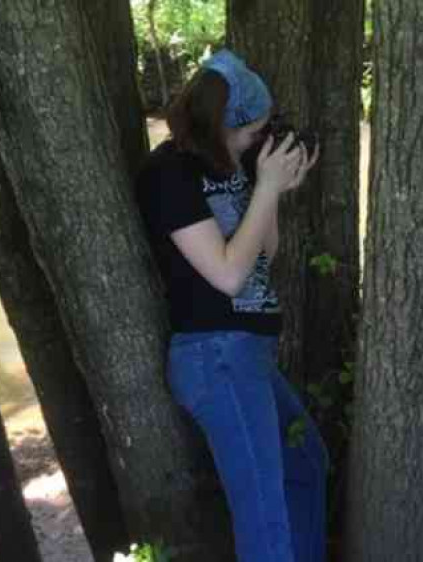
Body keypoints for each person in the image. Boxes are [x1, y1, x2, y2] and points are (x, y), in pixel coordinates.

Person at [135, 49, 328, 562]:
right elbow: (227, 275)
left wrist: (273, 190)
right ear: (224, 124)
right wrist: (263, 187)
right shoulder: (168, 174)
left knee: (307, 464)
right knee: (264, 522)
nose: (255, 141)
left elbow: (266, 253)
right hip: (214, 358)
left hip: (248, 355)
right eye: (250, 131)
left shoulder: (233, 161)